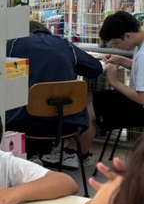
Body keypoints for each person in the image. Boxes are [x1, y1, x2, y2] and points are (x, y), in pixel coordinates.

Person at [6, 20, 103, 167]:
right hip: (66, 123)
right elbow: (95, 69)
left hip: (23, 122)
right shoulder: (64, 45)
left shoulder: (14, 44)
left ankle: (21, 156)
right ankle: (61, 152)